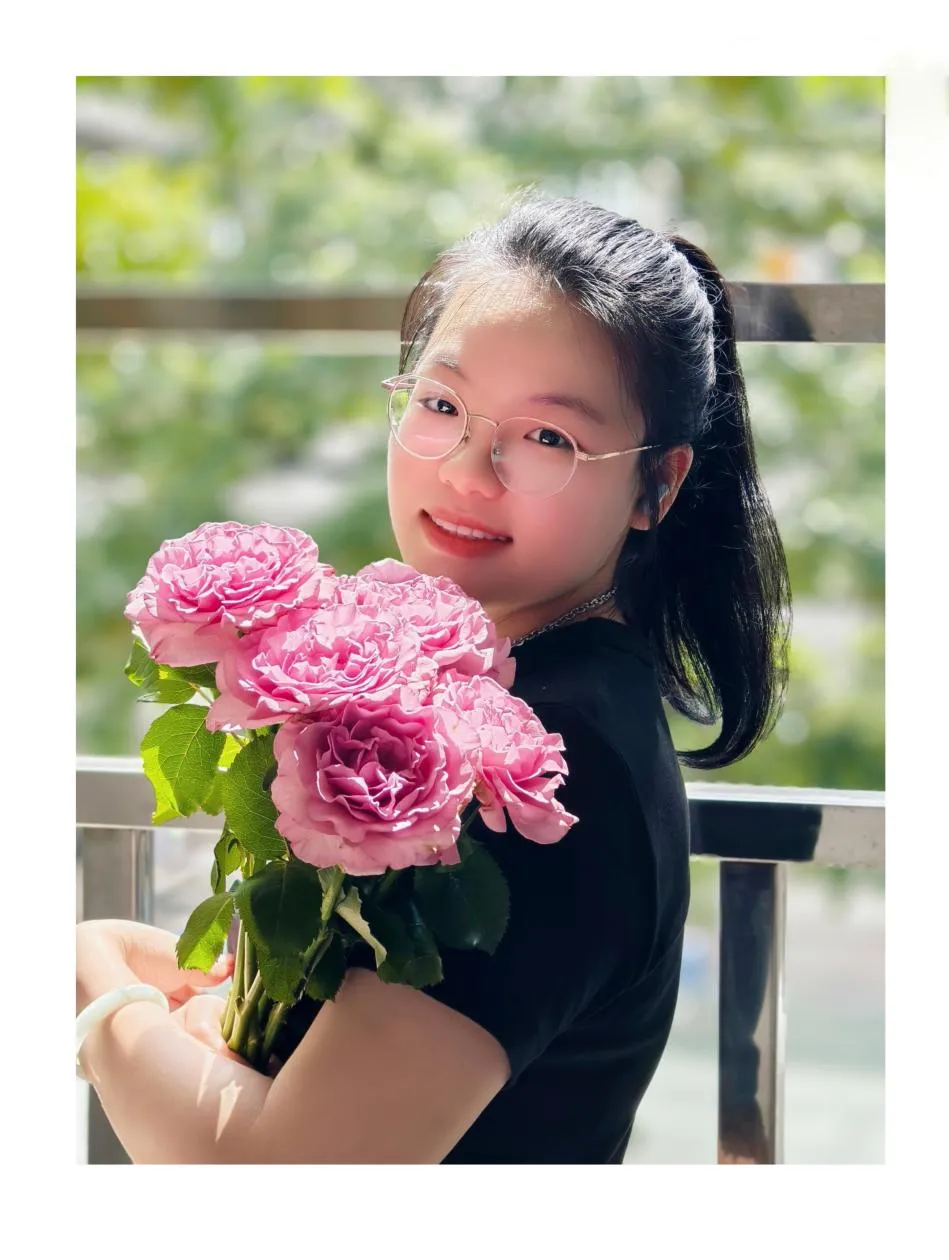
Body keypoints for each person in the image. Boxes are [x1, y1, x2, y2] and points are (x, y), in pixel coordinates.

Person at [76, 194, 791, 1164]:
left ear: (655, 486)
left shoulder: (548, 764)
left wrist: (96, 985)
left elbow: (273, 1183)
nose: (467, 472)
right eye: (442, 405)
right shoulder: (519, 692)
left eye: (548, 438)